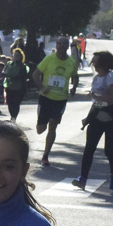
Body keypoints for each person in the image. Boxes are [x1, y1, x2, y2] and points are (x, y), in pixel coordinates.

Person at [73, 50, 113, 190]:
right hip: (97, 117)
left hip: (111, 118)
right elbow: (96, 102)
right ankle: (82, 178)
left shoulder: (112, 78)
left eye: (95, 61)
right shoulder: (96, 78)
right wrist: (88, 118)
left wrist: (97, 97)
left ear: (103, 63)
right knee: (89, 148)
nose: (93, 63)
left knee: (109, 150)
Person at [32, 36, 78, 167]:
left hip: (61, 99)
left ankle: (45, 155)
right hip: (45, 98)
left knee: (53, 125)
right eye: (59, 43)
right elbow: (35, 74)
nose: (62, 46)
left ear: (68, 46)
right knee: (40, 129)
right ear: (56, 46)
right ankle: (42, 124)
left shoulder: (71, 62)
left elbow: (75, 77)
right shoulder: (49, 59)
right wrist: (42, 87)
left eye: (64, 43)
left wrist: (73, 87)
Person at [3, 48, 29, 122]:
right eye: (15, 55)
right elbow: (4, 71)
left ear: (21, 57)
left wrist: (12, 76)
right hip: (9, 87)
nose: (16, 57)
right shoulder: (9, 64)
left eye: (18, 56)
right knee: (10, 103)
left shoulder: (23, 66)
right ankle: (12, 115)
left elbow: (22, 76)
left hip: (19, 88)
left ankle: (14, 117)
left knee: (16, 103)